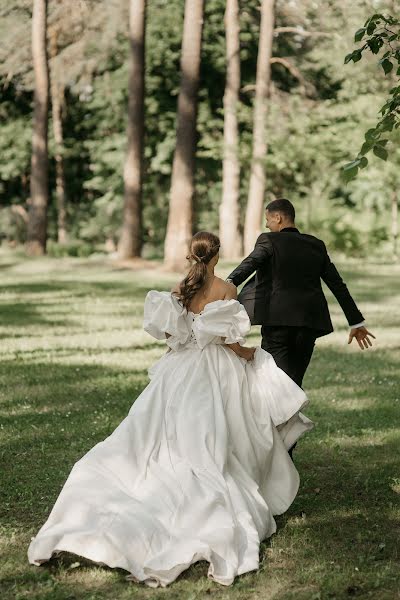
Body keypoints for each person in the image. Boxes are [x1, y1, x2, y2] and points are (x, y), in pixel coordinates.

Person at [28, 231, 313, 588]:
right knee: (218, 429)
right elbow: (229, 340)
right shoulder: (226, 289)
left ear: (191, 255)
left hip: (181, 366)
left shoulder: (181, 287)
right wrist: (250, 354)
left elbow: (172, 335)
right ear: (217, 255)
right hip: (214, 367)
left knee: (159, 428)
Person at [226, 198, 375, 389]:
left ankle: (280, 419)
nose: (266, 224)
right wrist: (356, 321)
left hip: (278, 322)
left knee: (273, 383)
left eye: (268, 219)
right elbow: (337, 285)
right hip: (308, 324)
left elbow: (250, 263)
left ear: (278, 217)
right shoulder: (316, 245)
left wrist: (228, 283)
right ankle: (290, 419)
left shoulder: (269, 240)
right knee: (293, 385)